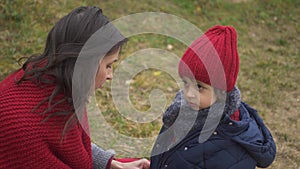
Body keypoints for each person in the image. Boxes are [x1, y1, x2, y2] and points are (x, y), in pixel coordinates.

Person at [0, 6, 150, 169]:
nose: (110, 75)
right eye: (108, 65)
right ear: (87, 64)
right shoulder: (26, 126)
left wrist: (111, 164)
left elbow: (67, 147)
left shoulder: (52, 84)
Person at [150, 25, 276, 169]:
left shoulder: (230, 146)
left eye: (199, 86)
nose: (189, 94)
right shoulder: (179, 111)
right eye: (186, 82)